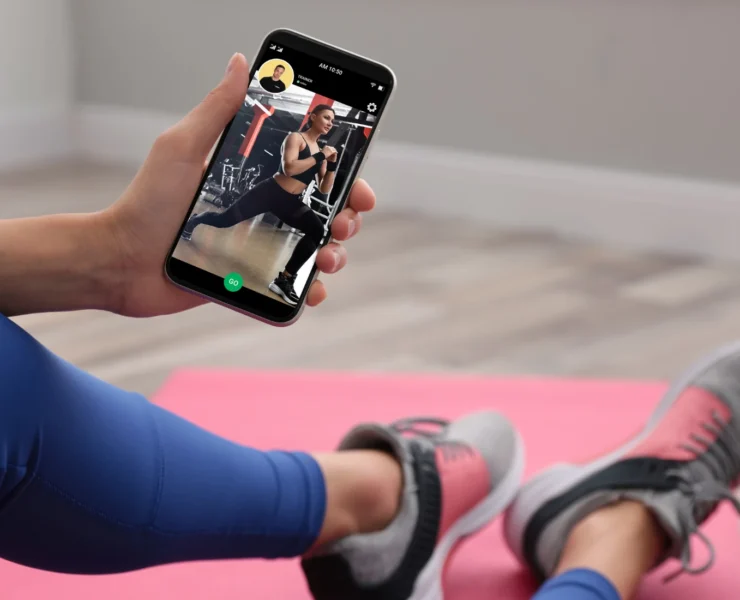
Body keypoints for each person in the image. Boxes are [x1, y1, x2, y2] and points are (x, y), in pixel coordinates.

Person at [1, 52, 740, 600]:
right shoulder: (299, 138)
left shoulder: (320, 141)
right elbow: (295, 166)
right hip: (273, 192)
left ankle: (371, 509)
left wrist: (115, 256)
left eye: (326, 118)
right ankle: (607, 541)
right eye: (321, 117)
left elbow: (316, 180)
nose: (324, 121)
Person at [181, 103, 340, 305]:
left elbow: (325, 188)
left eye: (332, 121)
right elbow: (289, 168)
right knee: (224, 221)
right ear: (313, 117)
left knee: (317, 230)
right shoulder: (295, 138)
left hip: (289, 201)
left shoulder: (321, 153)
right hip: (268, 192)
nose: (330, 123)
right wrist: (320, 156)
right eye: (326, 117)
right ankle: (195, 220)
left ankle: (284, 279)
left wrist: (332, 165)